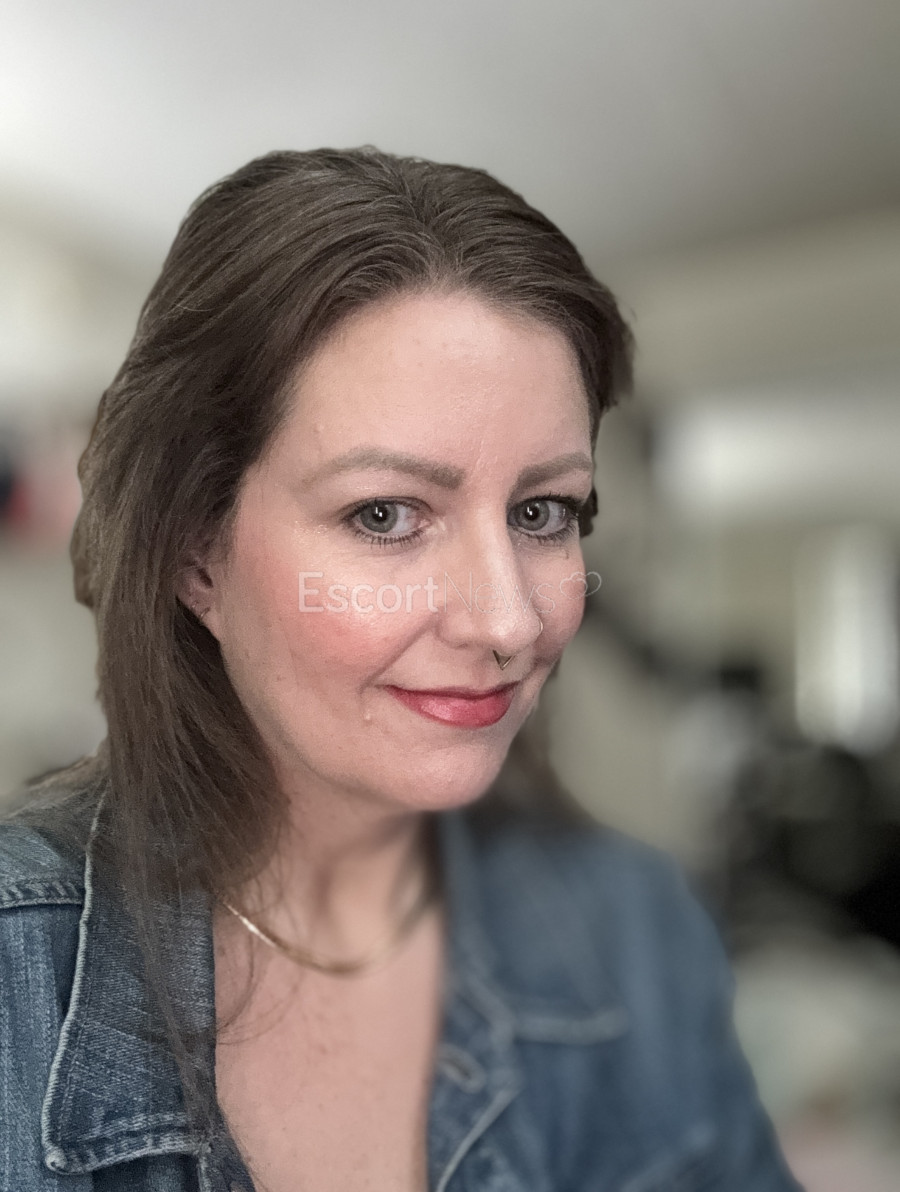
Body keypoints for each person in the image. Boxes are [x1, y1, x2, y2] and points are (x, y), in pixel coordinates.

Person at [0, 146, 803, 1192]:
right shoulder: (21, 979)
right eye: (385, 515)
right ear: (196, 554)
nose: (509, 620)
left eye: (542, 511)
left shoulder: (634, 932)